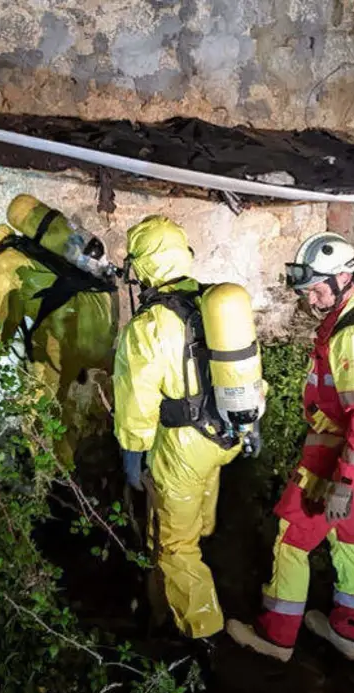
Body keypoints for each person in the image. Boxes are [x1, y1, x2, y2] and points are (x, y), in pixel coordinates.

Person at [226, 232, 354, 662]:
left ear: (344, 277)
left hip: (338, 458)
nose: (310, 299)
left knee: (291, 540)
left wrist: (344, 481)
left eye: (318, 288)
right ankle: (349, 631)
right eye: (307, 291)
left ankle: (275, 636)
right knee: (350, 538)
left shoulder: (352, 334)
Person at [113, 215, 253, 639]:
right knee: (197, 514)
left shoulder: (150, 326)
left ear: (143, 267)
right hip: (225, 436)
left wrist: (132, 457)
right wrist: (251, 429)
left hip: (183, 449)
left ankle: (202, 634)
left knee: (174, 546)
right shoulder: (216, 303)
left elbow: (136, 401)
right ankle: (198, 547)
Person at [0, 210, 118, 467]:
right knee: (84, 400)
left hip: (65, 330)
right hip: (98, 319)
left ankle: (55, 476)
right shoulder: (21, 245)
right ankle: (102, 452)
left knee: (38, 409)